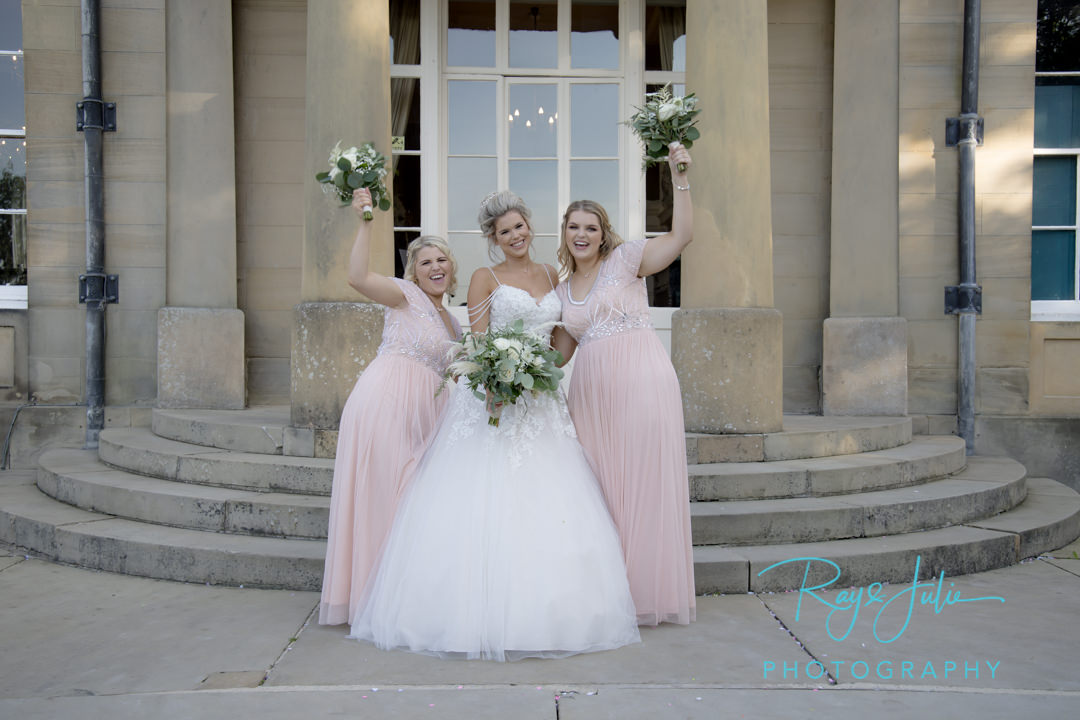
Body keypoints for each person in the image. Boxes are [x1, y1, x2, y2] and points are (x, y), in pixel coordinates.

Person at [349, 191, 640, 660]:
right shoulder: (485, 279)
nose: (515, 236)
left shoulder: (552, 275)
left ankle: (556, 612)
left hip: (541, 400)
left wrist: (545, 370)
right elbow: (480, 343)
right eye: (504, 232)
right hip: (493, 399)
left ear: (530, 226)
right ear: (493, 239)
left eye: (520, 227)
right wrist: (499, 385)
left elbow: (562, 340)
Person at [553, 143, 696, 626]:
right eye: (574, 226)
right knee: (601, 489)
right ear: (564, 233)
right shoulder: (560, 291)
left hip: (641, 380)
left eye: (590, 227)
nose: (582, 234)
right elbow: (557, 356)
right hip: (591, 396)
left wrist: (679, 176)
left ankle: (645, 595)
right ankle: (609, 594)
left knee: (642, 483)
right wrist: (502, 370)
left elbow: (682, 236)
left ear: (603, 233)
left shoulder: (628, 259)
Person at [319, 188, 462, 627]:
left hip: (426, 415)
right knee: (386, 495)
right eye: (425, 262)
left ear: (452, 268)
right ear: (413, 273)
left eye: (441, 260)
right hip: (385, 402)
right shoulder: (403, 295)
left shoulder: (454, 322)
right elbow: (358, 277)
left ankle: (396, 595)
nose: (435, 267)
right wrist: (365, 220)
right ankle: (369, 600)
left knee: (412, 502)